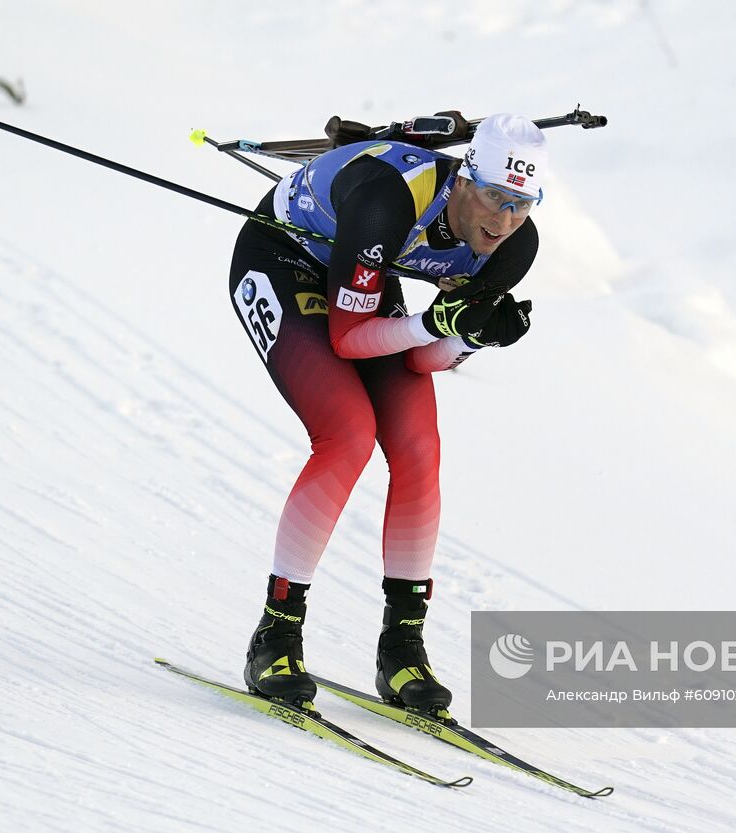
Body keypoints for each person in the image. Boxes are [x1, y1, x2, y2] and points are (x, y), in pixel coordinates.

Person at [227, 113, 546, 714]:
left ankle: (402, 646)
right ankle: (275, 636)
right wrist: (435, 322)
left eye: (522, 205)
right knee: (348, 433)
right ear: (462, 180)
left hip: (366, 279)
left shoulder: (515, 245)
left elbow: (424, 361)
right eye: (496, 199)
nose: (504, 222)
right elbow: (349, 339)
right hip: (281, 257)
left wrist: (471, 336)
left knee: (419, 447)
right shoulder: (388, 200)